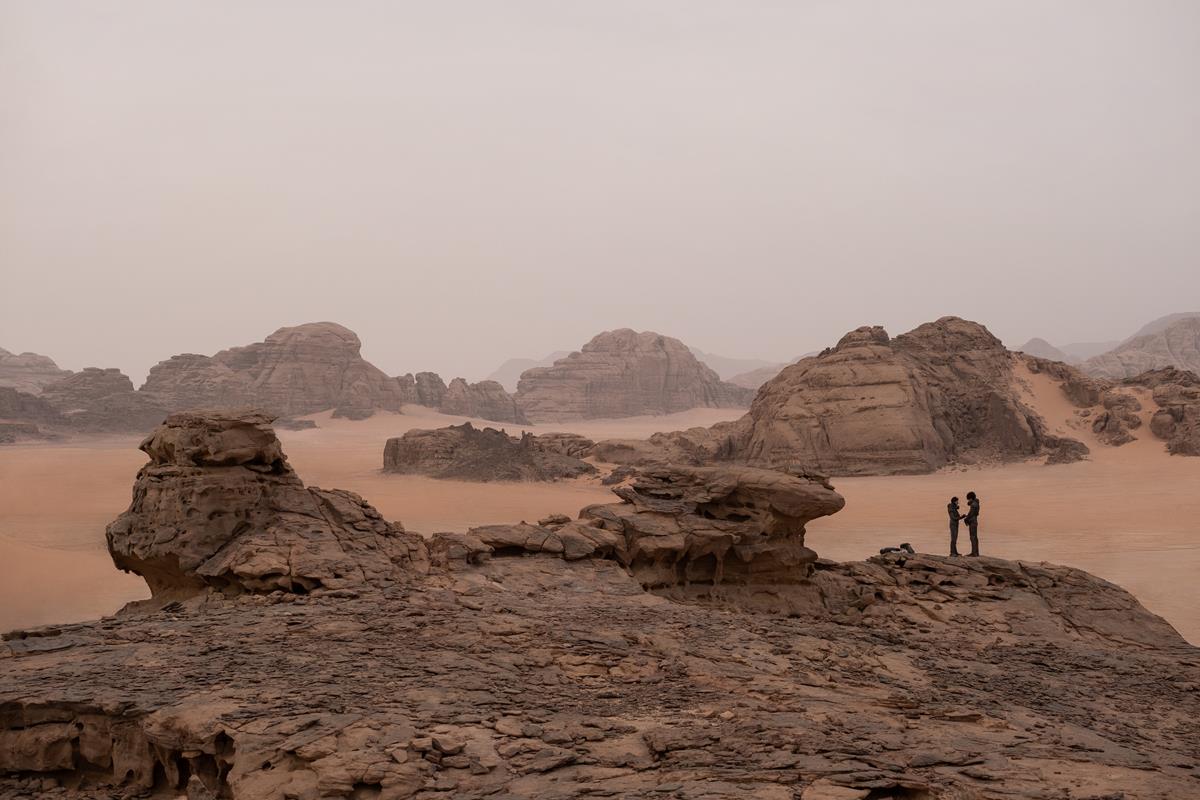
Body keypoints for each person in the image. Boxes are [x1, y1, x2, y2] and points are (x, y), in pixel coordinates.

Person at [964, 491, 981, 556]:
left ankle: (974, 553)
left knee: (972, 537)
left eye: (969, 499)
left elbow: (971, 513)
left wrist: (966, 519)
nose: (968, 500)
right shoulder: (976, 503)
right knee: (975, 537)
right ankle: (976, 552)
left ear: (971, 498)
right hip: (974, 521)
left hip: (972, 522)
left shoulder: (973, 505)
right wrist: (970, 503)